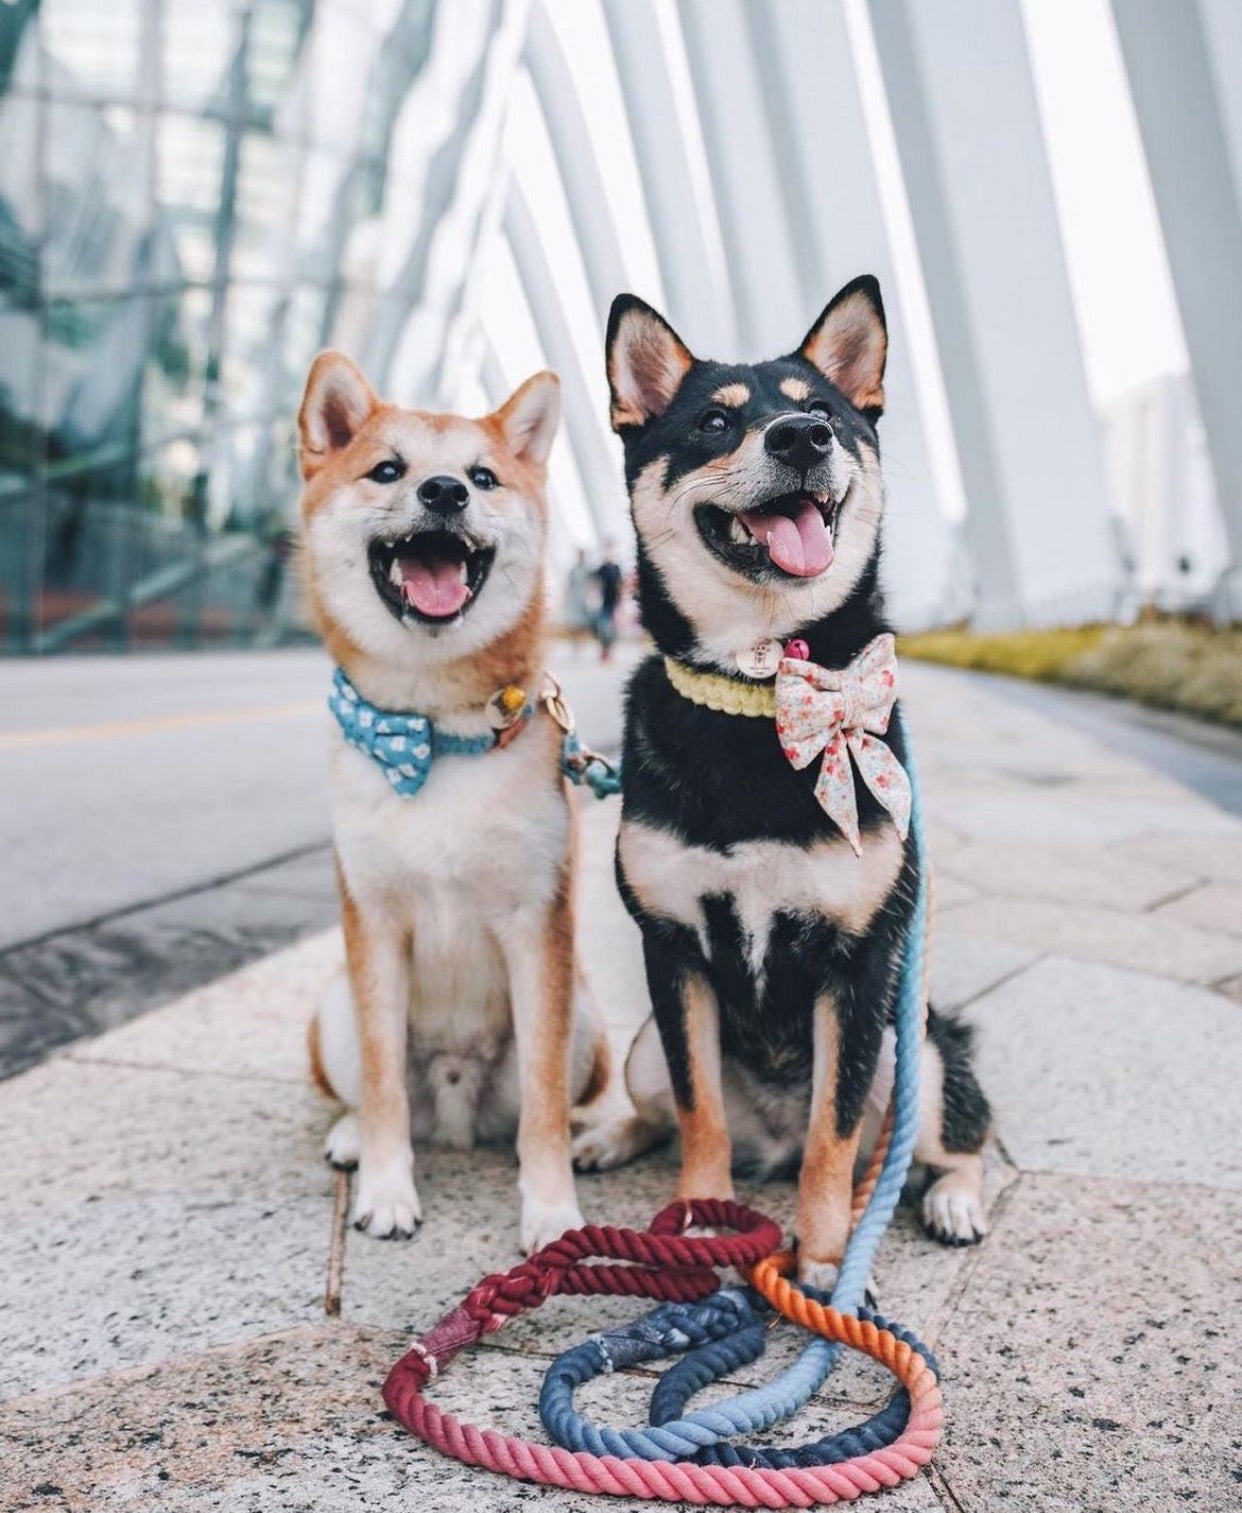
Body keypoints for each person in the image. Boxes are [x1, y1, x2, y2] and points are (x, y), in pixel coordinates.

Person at [593, 540, 623, 663]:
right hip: (603, 603)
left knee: (611, 630)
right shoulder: (602, 568)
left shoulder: (617, 568)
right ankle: (603, 652)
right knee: (602, 629)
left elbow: (619, 585)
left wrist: (620, 601)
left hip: (613, 603)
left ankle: (609, 653)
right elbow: (595, 583)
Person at [562, 547, 596, 654]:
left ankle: (582, 644)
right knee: (574, 623)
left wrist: (592, 596)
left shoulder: (588, 570)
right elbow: (568, 585)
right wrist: (566, 598)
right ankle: (575, 644)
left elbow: (593, 583)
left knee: (583, 623)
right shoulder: (574, 569)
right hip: (574, 599)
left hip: (584, 600)